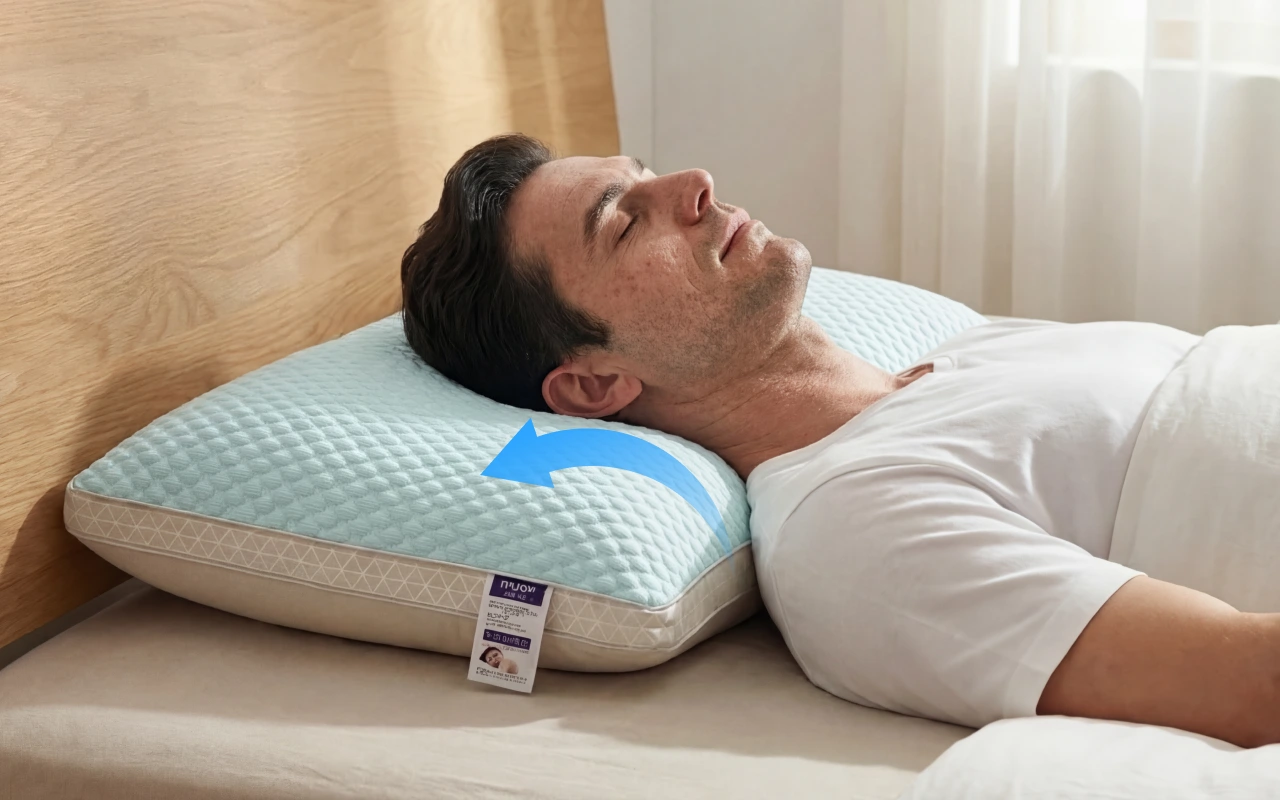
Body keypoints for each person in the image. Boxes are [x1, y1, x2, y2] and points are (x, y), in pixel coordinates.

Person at [401, 133, 1280, 748]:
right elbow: (1249, 682)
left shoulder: (965, 349)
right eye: (625, 222)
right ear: (596, 384)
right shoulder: (851, 529)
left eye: (650, 174)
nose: (694, 183)